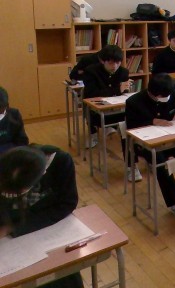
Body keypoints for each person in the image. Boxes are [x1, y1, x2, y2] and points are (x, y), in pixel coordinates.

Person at [125, 73, 175, 225]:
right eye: (162, 96)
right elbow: (131, 128)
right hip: (145, 144)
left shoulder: (172, 94)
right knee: (161, 164)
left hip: (169, 139)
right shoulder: (134, 101)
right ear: (153, 93)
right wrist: (152, 121)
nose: (166, 98)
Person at [0, 145, 81, 288]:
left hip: (50, 238)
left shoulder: (60, 162)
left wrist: (13, 228)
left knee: (63, 275)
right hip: (11, 250)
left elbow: (67, 203)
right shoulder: (6, 169)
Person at [83, 45, 131, 150]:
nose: (115, 66)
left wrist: (125, 89)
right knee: (92, 112)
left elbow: (124, 92)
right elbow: (92, 94)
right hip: (95, 109)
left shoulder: (123, 72)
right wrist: (118, 89)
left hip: (115, 108)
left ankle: (118, 132)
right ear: (102, 61)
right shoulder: (91, 71)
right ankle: (93, 133)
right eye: (111, 63)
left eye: (118, 62)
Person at [0, 86, 28, 154]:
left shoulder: (14, 114)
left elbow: (22, 140)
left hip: (14, 152)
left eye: (3, 110)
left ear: (7, 105)